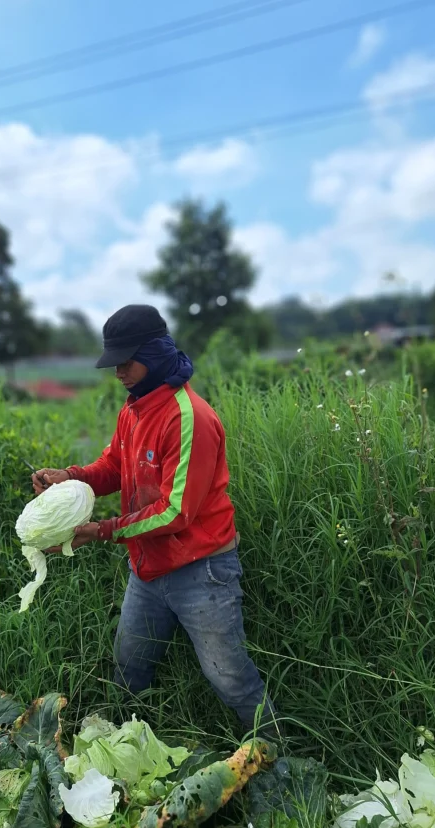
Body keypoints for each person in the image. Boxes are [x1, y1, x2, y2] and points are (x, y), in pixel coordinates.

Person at [32, 303, 275, 731]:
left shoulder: (189, 418)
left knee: (230, 678)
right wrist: (69, 476)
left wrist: (102, 530)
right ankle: (127, 746)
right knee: (130, 668)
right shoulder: (134, 409)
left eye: (127, 361)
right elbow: (112, 467)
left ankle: (276, 759)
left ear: (156, 352)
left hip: (202, 572)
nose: (118, 371)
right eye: (114, 362)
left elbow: (175, 512)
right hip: (146, 569)